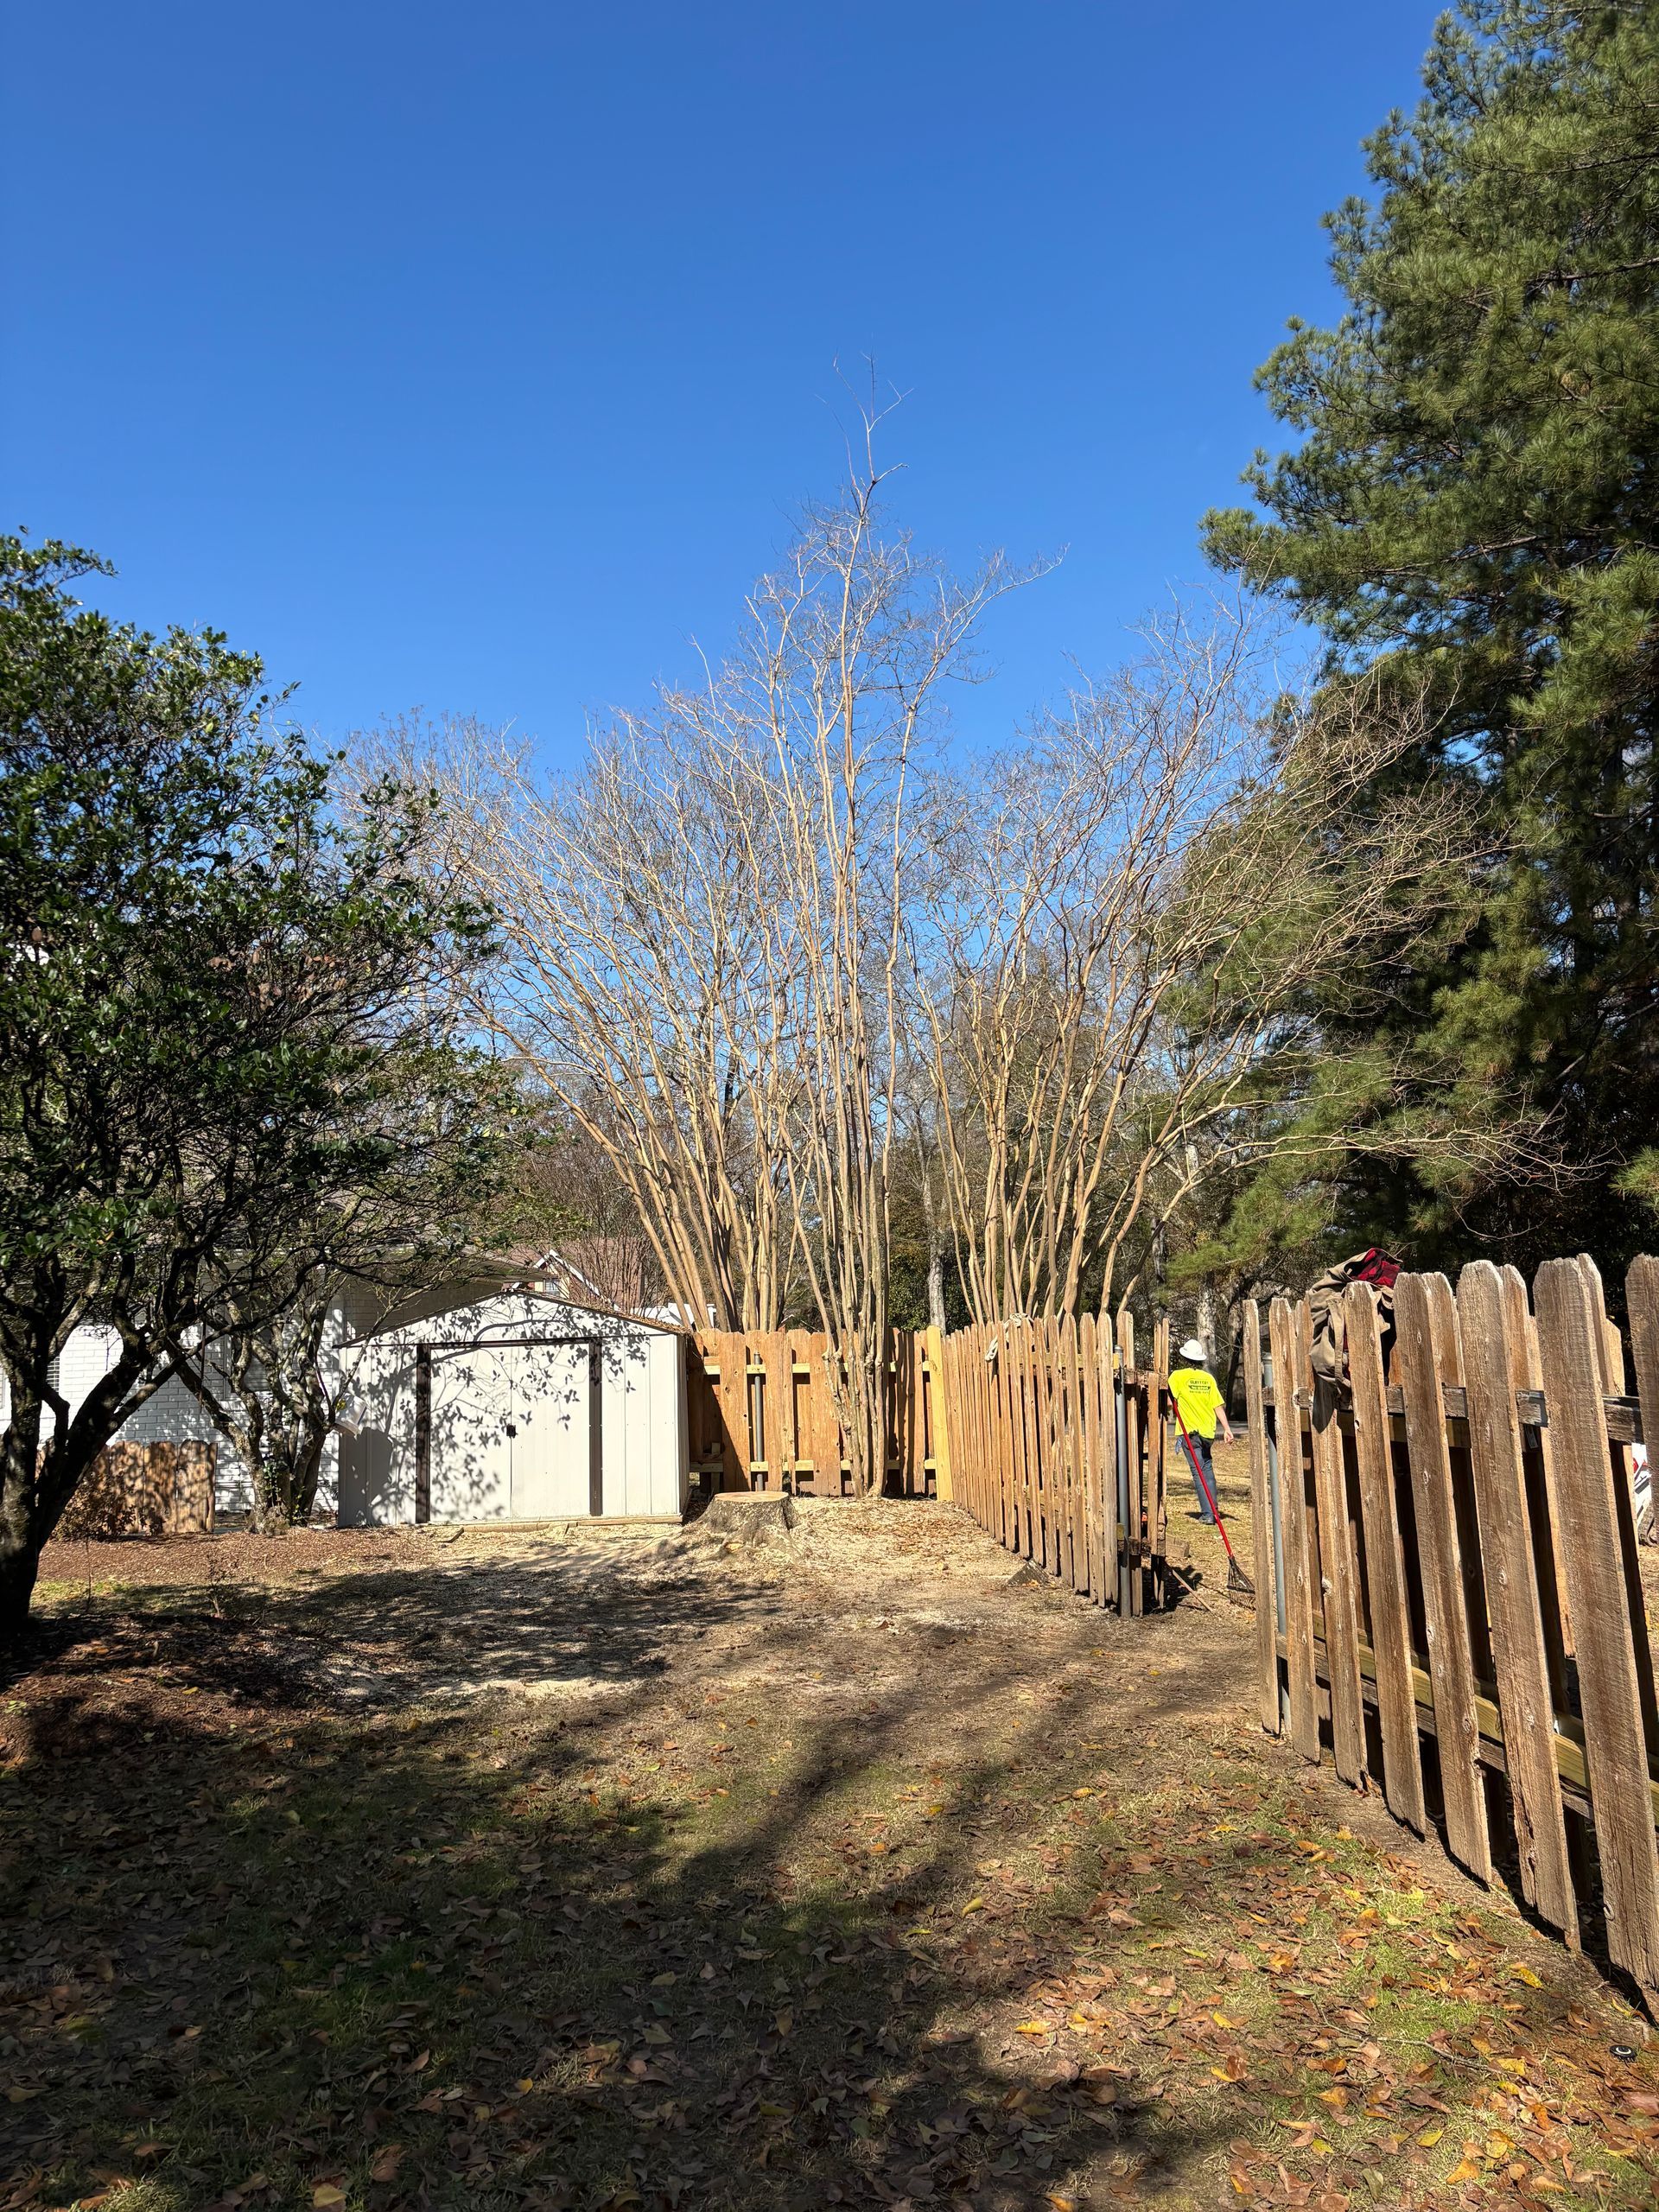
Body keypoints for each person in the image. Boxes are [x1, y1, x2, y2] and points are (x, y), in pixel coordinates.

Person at [1168, 1337, 1234, 1526]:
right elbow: (1217, 1406)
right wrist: (1227, 1429)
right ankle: (1213, 1510)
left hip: (1189, 1432)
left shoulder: (1178, 1377)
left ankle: (1208, 1514)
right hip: (1207, 1433)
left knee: (1198, 1473)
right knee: (1207, 1470)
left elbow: (1169, 1401)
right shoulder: (1208, 1379)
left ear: (1185, 1358)